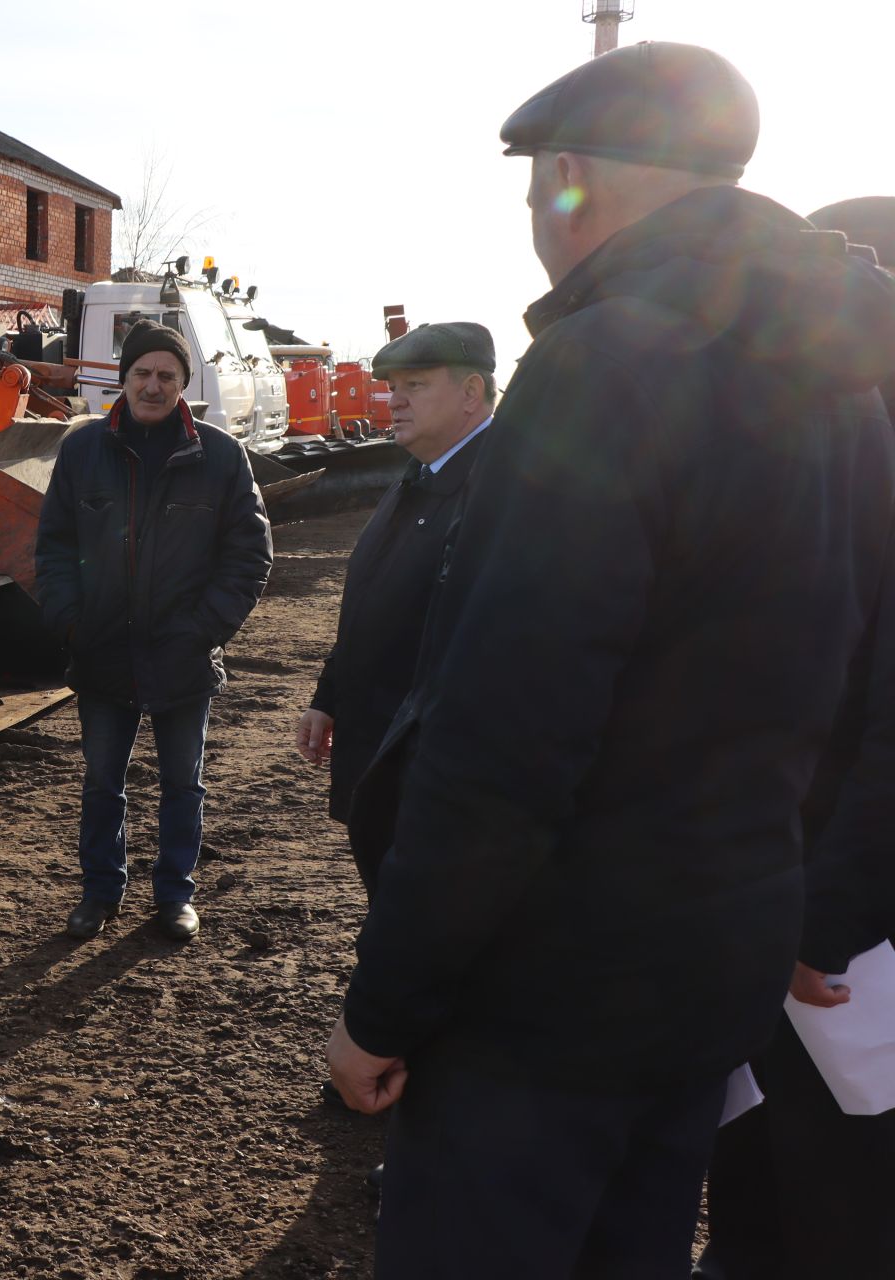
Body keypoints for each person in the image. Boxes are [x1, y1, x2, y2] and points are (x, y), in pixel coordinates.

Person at [323, 43, 895, 1278]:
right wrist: (795, 898)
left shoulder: (601, 365)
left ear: (569, 176)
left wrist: (388, 1000)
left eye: (538, 193)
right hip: (711, 976)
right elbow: (853, 675)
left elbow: (509, 725)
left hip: (548, 990)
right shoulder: (838, 384)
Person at [695, 197, 895, 1280]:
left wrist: (833, 913)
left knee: (840, 1178)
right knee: (767, 1150)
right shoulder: (830, 435)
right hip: (784, 891)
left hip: (841, 925)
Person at [34, 319, 273, 941]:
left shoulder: (220, 456)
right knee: (102, 782)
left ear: (183, 384)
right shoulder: (83, 451)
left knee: (181, 785)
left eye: (168, 375)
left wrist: (203, 631)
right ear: (124, 378)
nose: (154, 384)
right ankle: (100, 893)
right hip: (103, 649)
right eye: (143, 372)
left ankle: (173, 897)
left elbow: (249, 555)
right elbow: (53, 546)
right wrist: (70, 623)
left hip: (183, 653)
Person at [295, 322, 496, 893]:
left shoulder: (495, 491)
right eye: (391, 384)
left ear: (470, 393)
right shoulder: (419, 477)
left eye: (416, 384)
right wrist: (329, 696)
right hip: (379, 753)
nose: (393, 399)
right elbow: (376, 601)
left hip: (433, 773)